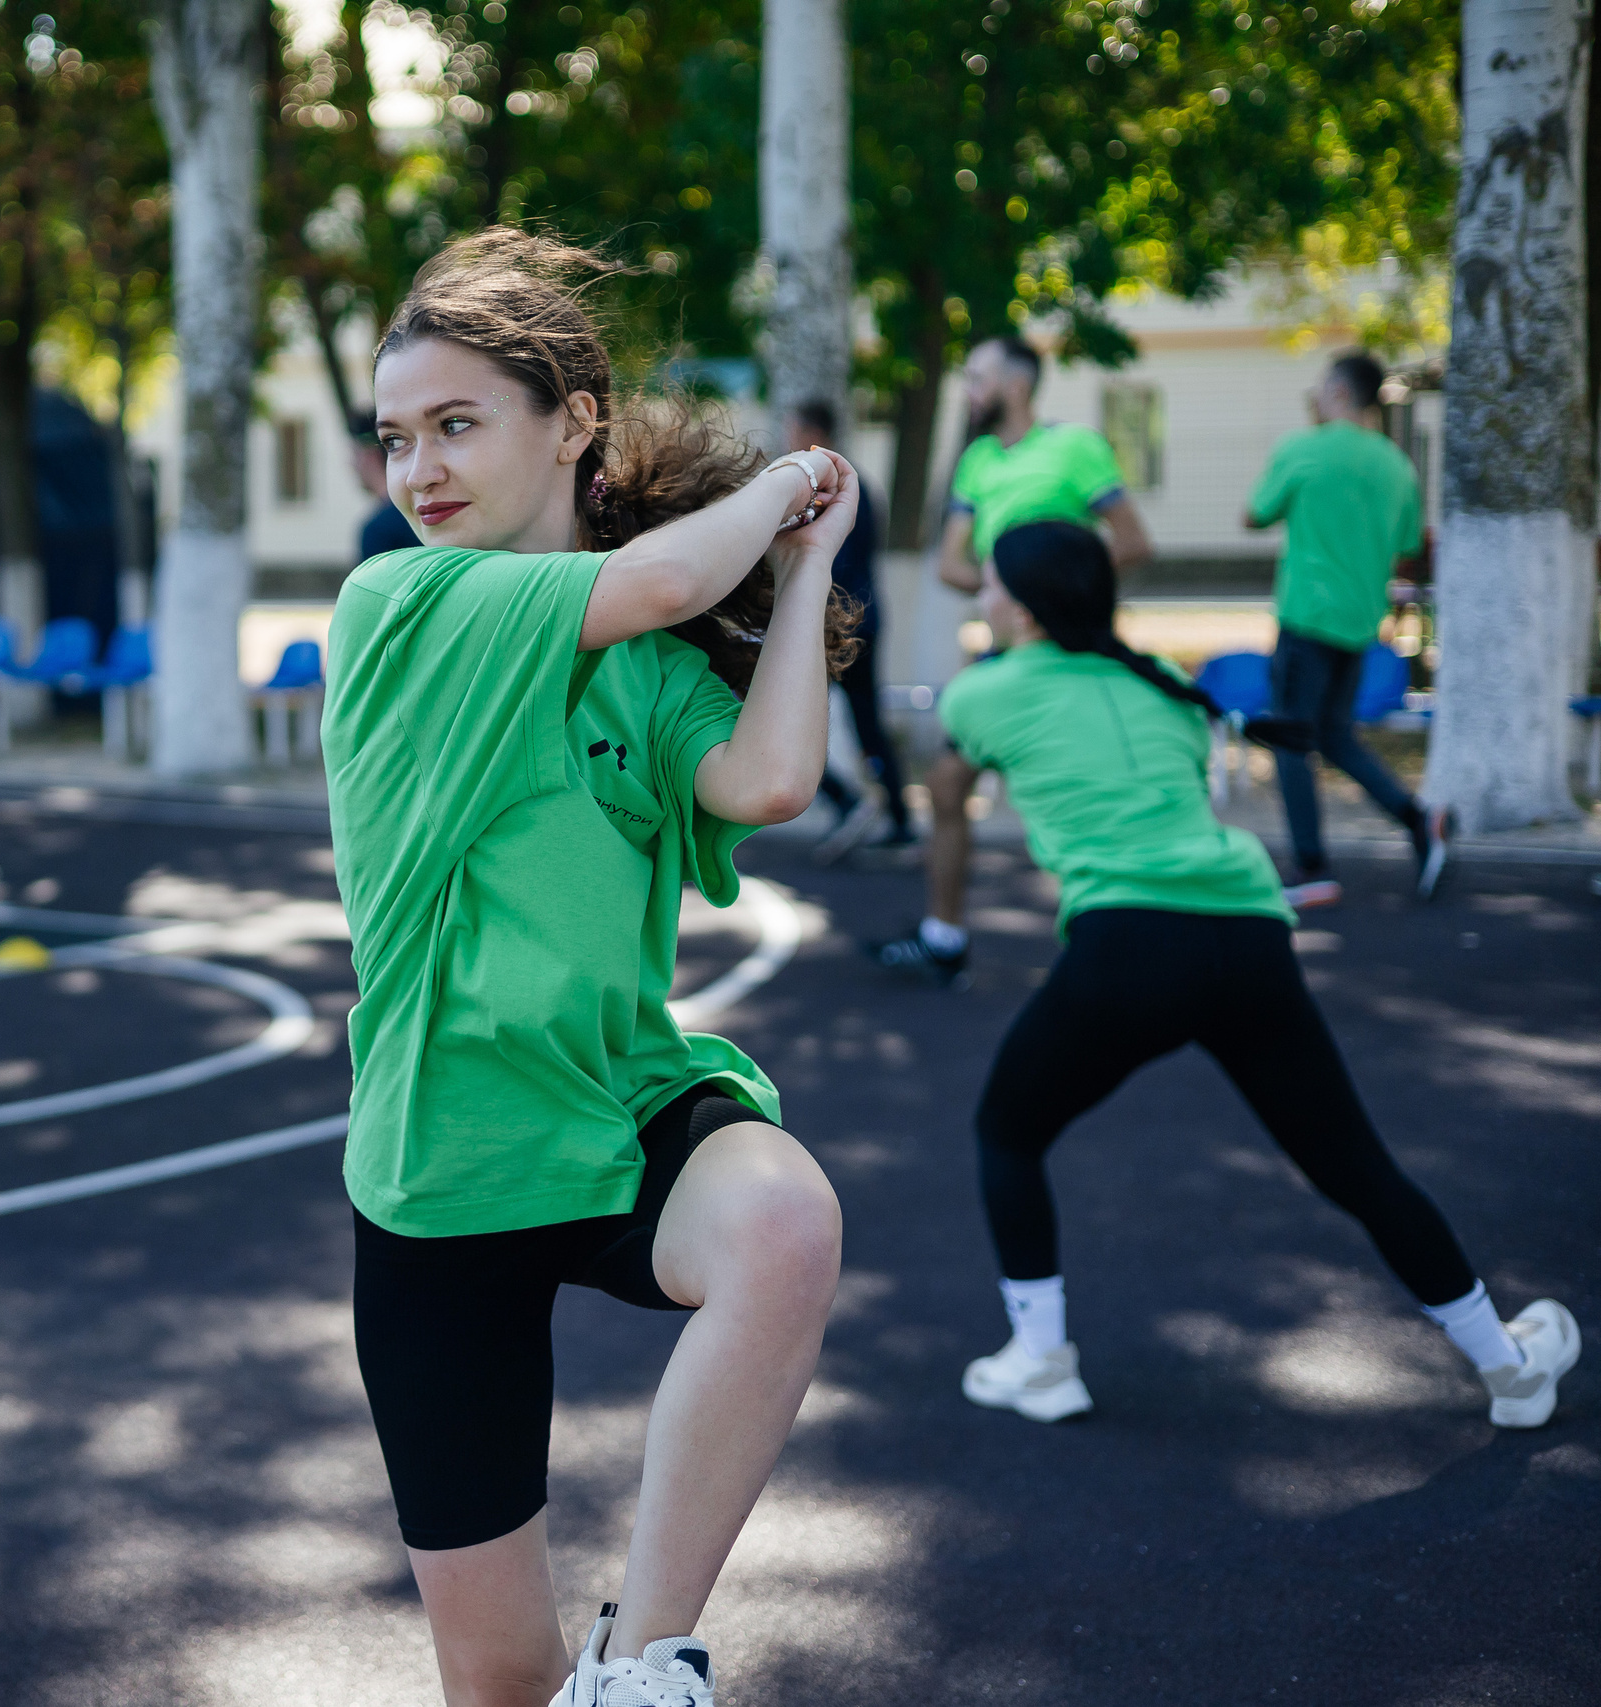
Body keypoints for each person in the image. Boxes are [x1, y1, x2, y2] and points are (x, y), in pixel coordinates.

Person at [328, 229, 857, 1707]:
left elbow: (767, 780)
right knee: (499, 1682)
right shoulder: (406, 604)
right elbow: (669, 571)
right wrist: (790, 479)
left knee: (783, 1226)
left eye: (455, 424)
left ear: (572, 423)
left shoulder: (649, 657)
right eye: (396, 437)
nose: (419, 470)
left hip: (614, 1102)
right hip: (445, 1162)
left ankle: (641, 1666)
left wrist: (807, 570)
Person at [942, 521, 1578, 1430]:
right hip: (1248, 935)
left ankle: (1042, 1363)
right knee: (1355, 1165)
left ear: (1030, 609)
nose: (982, 597)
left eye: (993, 585)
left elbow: (954, 783)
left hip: (1127, 946)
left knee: (1007, 1131)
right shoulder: (1163, 688)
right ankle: (1508, 1368)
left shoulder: (982, 694)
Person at [870, 335, 1153, 987]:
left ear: (1016, 386)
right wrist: (1013, 594)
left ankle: (1126, 942)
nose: (969, 391)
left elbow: (1134, 541)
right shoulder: (977, 461)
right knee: (946, 784)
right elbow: (951, 564)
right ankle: (944, 938)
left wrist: (1060, 591)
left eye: (978, 378)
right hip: (1010, 649)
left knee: (1091, 794)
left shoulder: (1076, 448)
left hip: (1076, 652)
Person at [1245, 350, 1450, 906]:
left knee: (1291, 738)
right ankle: (1419, 820)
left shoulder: (1304, 448)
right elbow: (1408, 548)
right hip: (1359, 622)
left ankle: (1311, 867)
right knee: (1333, 736)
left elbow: (1253, 514)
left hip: (1307, 617)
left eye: (1319, 387)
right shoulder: (1397, 465)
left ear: (1338, 392)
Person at [784, 398, 913, 862]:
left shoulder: (825, 488)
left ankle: (849, 802)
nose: (788, 438)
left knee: (784, 716)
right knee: (865, 722)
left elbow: (828, 560)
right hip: (858, 619)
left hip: (837, 623)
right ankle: (897, 819)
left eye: (793, 429)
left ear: (812, 434)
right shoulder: (857, 484)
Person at [351, 408, 420, 564]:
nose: (352, 464)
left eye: (355, 453)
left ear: (369, 455)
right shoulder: (428, 514)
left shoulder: (379, 529)